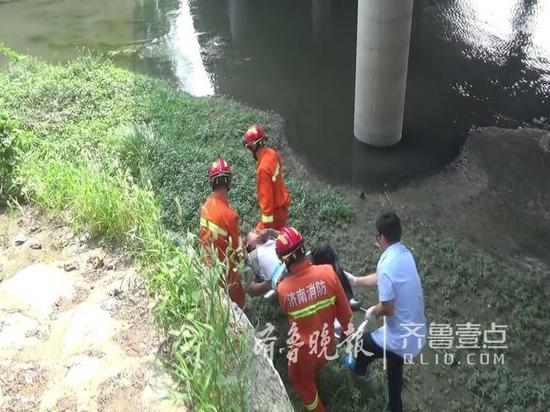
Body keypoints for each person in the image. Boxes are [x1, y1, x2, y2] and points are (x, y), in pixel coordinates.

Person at [345, 212, 427, 412]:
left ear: (382, 237)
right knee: (394, 368)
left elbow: (387, 308)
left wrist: (373, 310)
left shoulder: (387, 262)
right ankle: (394, 406)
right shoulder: (404, 254)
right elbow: (383, 277)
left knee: (360, 344)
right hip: (417, 333)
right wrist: (356, 281)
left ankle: (359, 371)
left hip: (399, 338)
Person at [275, 227, 352, 412]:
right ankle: (317, 376)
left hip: (304, 354)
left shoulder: (284, 290)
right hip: (328, 345)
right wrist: (346, 337)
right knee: (314, 368)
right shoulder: (328, 273)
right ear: (303, 249)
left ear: (284, 260)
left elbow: (288, 312)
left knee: (300, 380)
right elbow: (346, 315)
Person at [199, 158, 246, 309]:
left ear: (212, 183)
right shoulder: (229, 215)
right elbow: (239, 253)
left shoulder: (206, 206)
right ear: (229, 181)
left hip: (206, 264)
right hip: (224, 271)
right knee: (238, 299)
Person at [243, 124, 291, 231]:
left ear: (253, 146)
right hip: (283, 208)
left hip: (275, 217)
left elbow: (267, 211)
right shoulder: (273, 154)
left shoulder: (263, 170)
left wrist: (259, 233)